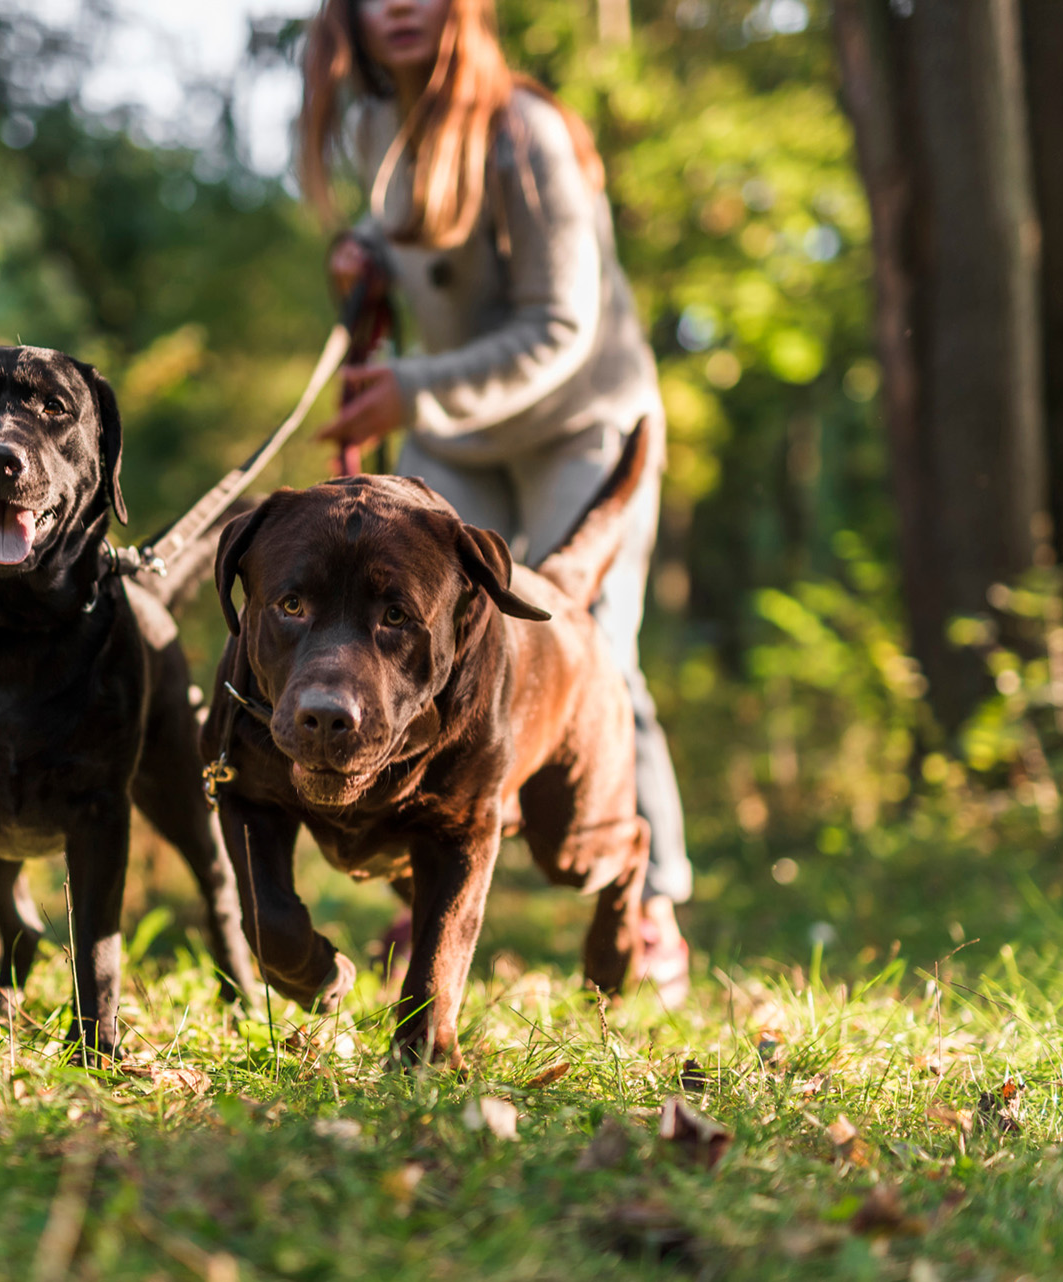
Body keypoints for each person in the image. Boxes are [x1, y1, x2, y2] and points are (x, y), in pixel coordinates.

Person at [299, 0, 693, 1001]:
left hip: (581, 419)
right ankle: (425, 878)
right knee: (421, 637)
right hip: (464, 433)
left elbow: (561, 323)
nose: (397, 6)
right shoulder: (382, 126)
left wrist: (415, 388)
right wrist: (370, 257)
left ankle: (651, 907)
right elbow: (441, 251)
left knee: (595, 645)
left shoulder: (527, 130)